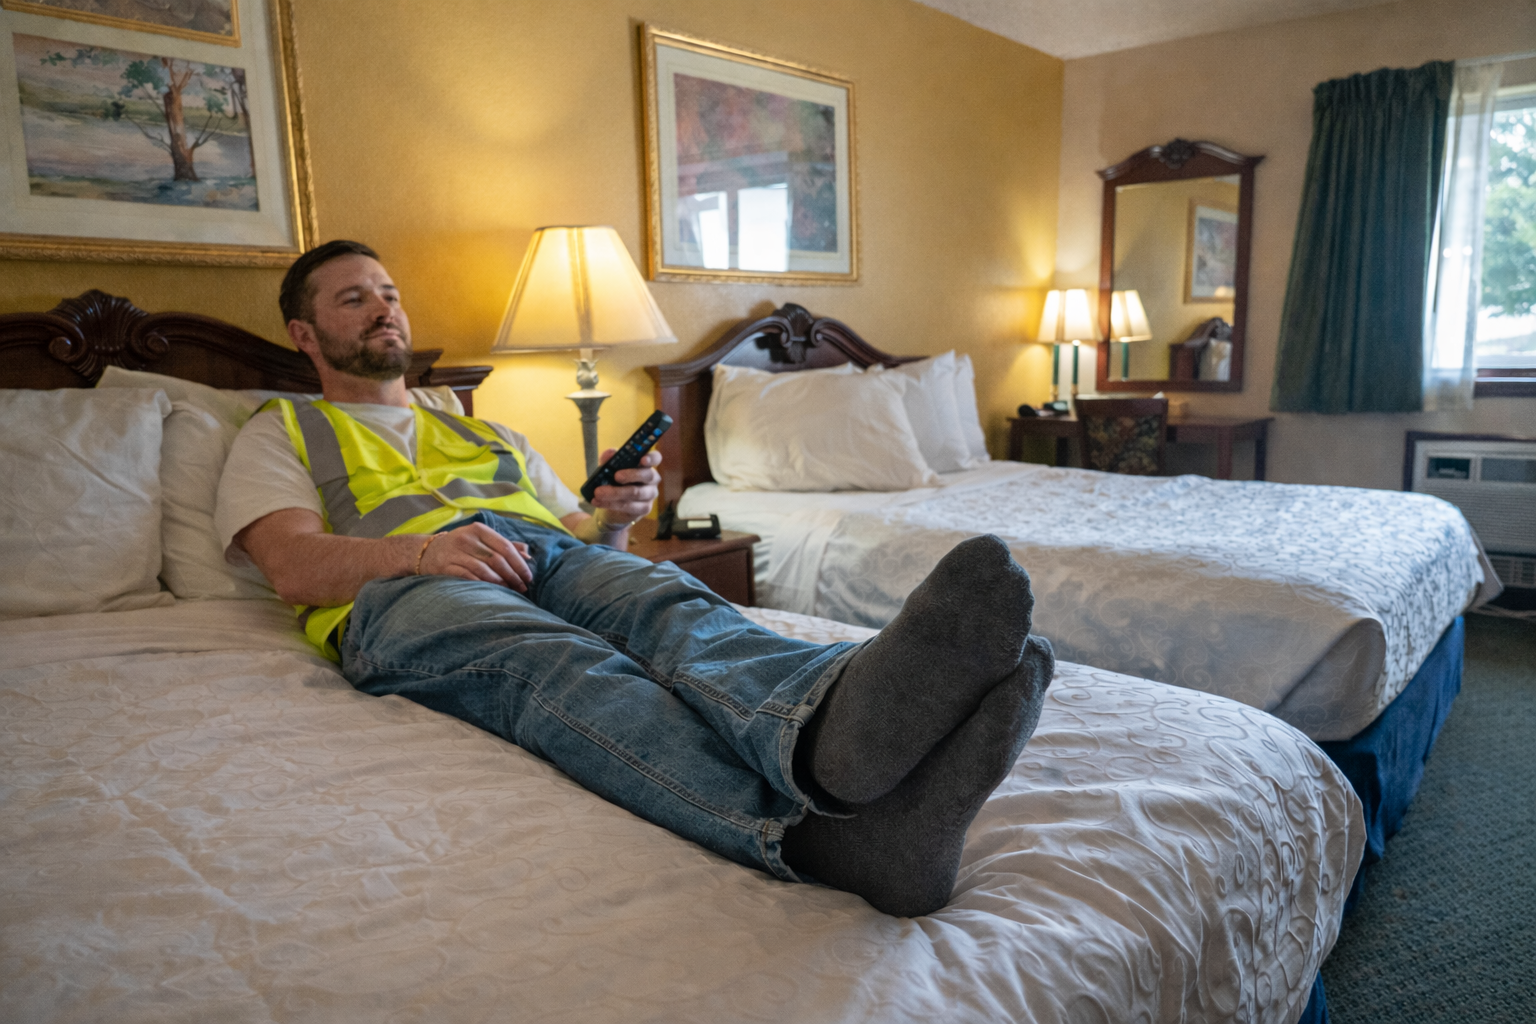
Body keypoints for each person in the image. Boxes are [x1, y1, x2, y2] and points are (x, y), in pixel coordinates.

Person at [215, 240, 1055, 917]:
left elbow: (582, 538)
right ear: (303, 333)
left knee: (664, 601)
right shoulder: (282, 427)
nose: (384, 307)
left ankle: (827, 729)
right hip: (405, 587)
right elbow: (291, 565)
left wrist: (618, 510)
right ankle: (806, 837)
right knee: (558, 661)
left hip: (545, 554)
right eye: (352, 297)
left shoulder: (488, 431)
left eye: (389, 290)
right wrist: (423, 552)